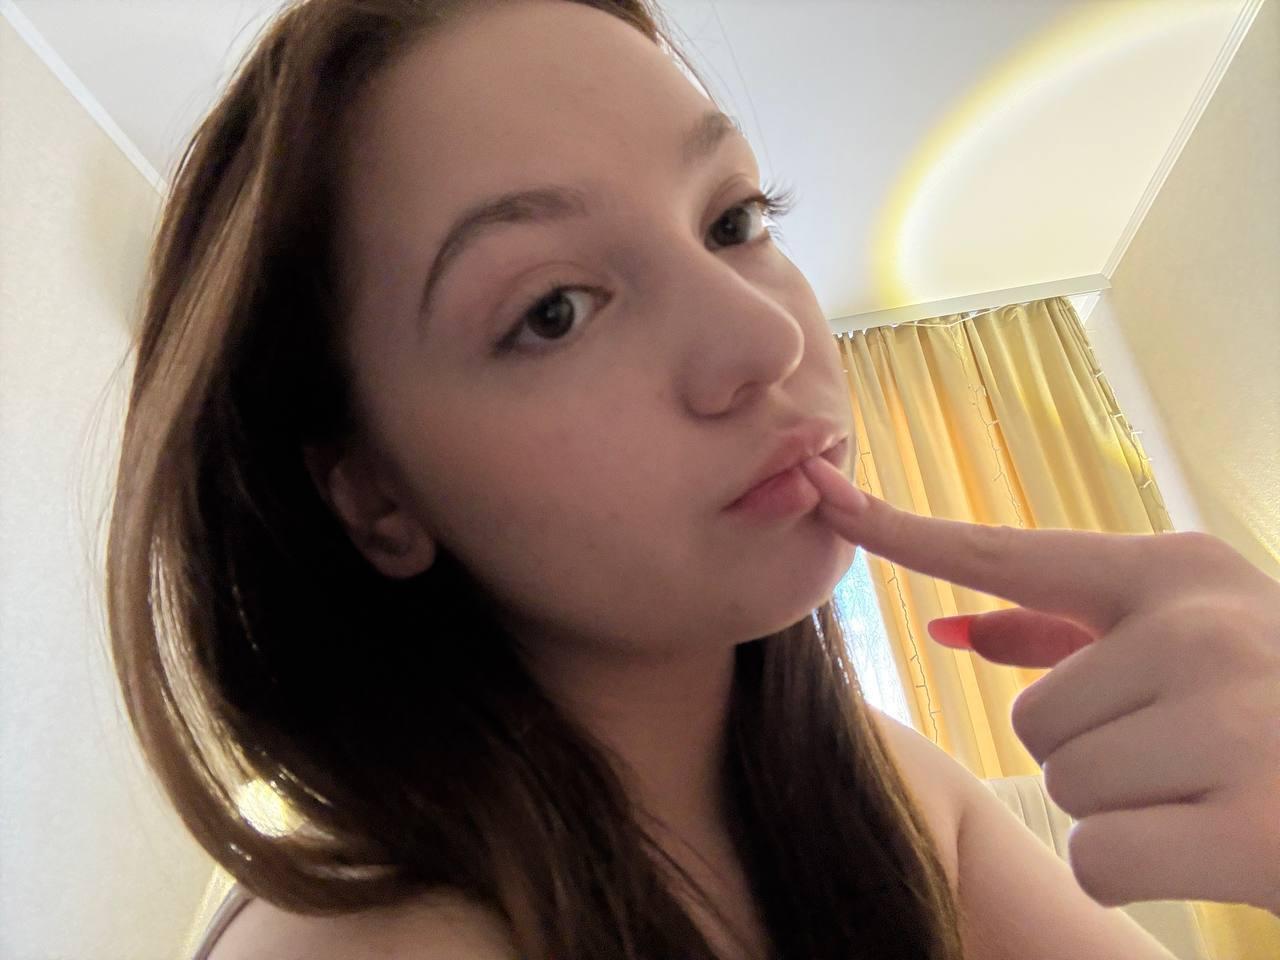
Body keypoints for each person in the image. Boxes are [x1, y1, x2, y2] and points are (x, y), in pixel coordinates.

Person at [103, 1, 1278, 958]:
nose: (767, 339)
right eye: (553, 311)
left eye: (732, 221)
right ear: (375, 499)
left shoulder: (879, 782)